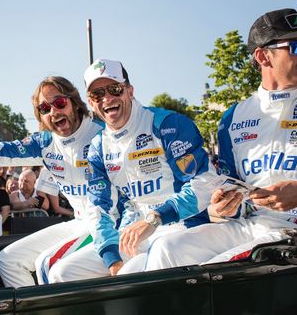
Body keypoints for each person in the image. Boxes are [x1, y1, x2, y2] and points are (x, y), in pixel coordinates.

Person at [144, 8, 297, 269]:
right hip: (252, 224)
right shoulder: (233, 117)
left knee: (215, 271)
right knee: (167, 248)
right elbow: (234, 190)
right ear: (263, 56)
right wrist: (226, 203)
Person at [41, 59, 218, 281]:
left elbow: (204, 184)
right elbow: (98, 209)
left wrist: (155, 218)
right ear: (91, 103)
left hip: (180, 227)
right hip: (133, 233)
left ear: (129, 91)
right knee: (62, 273)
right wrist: (112, 258)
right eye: (97, 94)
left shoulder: (167, 124)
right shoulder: (98, 146)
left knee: (130, 276)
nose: (107, 98)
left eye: (114, 89)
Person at [0, 68, 103, 287]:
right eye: (45, 108)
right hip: (79, 222)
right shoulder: (44, 142)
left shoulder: (102, 132)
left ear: (74, 101)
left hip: (109, 223)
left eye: (59, 103)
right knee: (8, 260)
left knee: (48, 266)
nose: (54, 112)